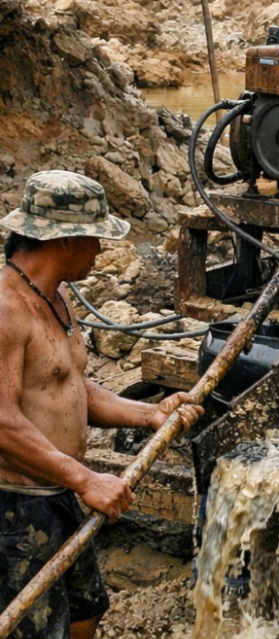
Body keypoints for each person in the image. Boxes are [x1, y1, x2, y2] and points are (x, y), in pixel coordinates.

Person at [0, 170, 204, 639]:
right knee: (33, 628)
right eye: (94, 239)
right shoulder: (8, 309)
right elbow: (4, 422)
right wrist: (86, 477)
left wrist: (149, 414)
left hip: (60, 494)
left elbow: (71, 387)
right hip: (19, 506)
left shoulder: (57, 296)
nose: (99, 250)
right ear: (66, 239)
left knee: (82, 614)